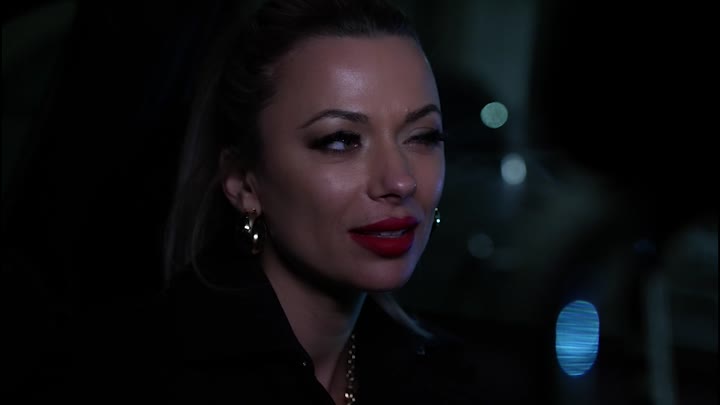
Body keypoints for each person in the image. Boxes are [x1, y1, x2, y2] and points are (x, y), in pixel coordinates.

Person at [31, 0, 479, 404]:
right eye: (341, 140)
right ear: (244, 182)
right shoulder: (123, 377)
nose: (400, 180)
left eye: (423, 136)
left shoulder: (445, 377)